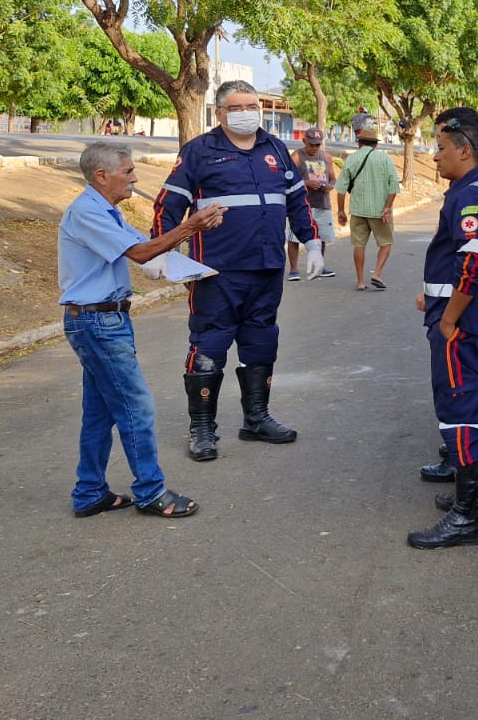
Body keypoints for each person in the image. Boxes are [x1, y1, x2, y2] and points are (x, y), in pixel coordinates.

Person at [153, 80, 322, 462]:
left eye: (252, 105)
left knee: (262, 342)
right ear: (220, 113)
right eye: (237, 106)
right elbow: (168, 204)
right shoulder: (199, 151)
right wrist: (160, 250)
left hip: (266, 267)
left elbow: (297, 201)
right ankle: (202, 430)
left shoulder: (276, 149)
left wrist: (312, 244)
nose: (247, 112)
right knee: (210, 345)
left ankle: (256, 419)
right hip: (216, 271)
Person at [60, 142, 225, 518]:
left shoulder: (105, 210)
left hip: (104, 318)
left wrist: (179, 255)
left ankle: (89, 492)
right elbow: (141, 254)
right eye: (128, 171)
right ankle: (150, 491)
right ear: (102, 176)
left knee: (99, 412)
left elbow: (146, 247)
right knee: (136, 406)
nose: (135, 177)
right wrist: (190, 226)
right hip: (97, 321)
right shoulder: (88, 211)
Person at [407, 106, 478, 549]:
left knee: (462, 414)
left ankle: (466, 517)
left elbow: (473, 263)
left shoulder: (469, 196)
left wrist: (448, 318)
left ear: (464, 151)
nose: (435, 157)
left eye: (440, 148)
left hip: (468, 324)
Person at [334, 119, 400, 291]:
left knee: (359, 245)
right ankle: (376, 273)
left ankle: (360, 281)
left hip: (357, 210)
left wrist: (341, 211)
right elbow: (394, 185)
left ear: (359, 143)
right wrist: (388, 207)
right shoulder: (384, 159)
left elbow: (340, 189)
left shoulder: (351, 159)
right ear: (375, 144)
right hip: (380, 210)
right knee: (386, 243)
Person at [286, 127, 337, 281]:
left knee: (321, 235)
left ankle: (319, 266)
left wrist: (330, 185)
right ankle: (294, 269)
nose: (314, 148)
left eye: (317, 144)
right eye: (311, 144)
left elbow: (333, 178)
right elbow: (287, 178)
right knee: (294, 237)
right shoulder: (297, 156)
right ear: (304, 141)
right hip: (302, 203)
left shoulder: (326, 157)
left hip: (322, 202)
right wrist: (306, 183)